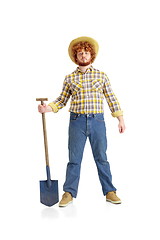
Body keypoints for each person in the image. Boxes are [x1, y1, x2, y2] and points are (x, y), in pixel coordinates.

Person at [38, 36, 126, 207]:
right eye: (80, 53)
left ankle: (110, 191)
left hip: (97, 121)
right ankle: (69, 192)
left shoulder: (101, 76)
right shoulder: (70, 78)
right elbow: (62, 101)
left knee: (102, 158)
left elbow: (111, 98)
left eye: (86, 52)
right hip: (76, 122)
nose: (83, 56)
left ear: (91, 55)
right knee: (74, 159)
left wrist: (120, 119)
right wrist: (47, 108)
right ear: (75, 57)